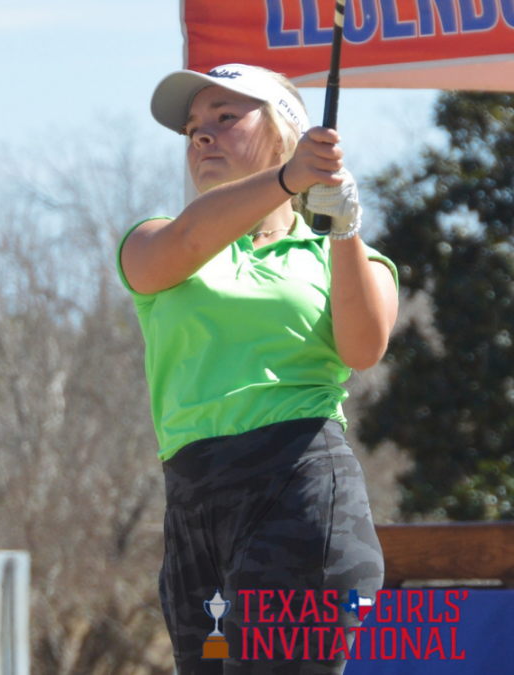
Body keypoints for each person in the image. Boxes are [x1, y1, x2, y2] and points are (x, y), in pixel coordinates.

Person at [117, 64, 399, 674]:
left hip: (297, 487)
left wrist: (343, 229)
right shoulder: (158, 237)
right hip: (192, 507)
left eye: (225, 118)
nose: (202, 137)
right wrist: (287, 177)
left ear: (285, 134)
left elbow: (363, 346)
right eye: (193, 128)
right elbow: (186, 244)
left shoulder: (344, 254)